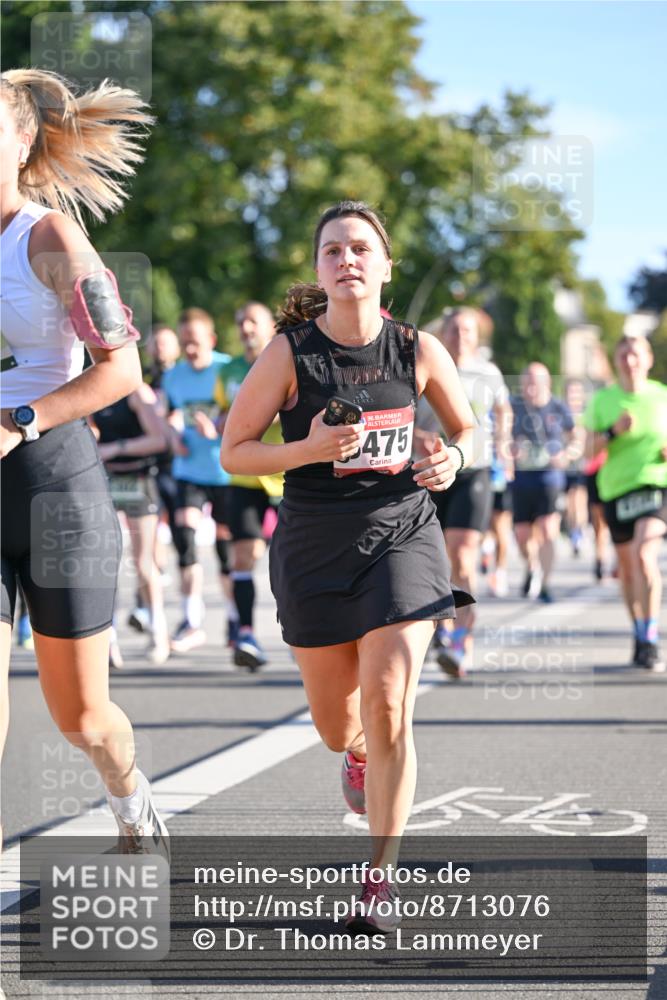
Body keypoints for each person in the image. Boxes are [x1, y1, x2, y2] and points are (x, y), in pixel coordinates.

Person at [221, 201, 475, 933]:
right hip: (312, 547)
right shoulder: (289, 353)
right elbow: (233, 452)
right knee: (340, 726)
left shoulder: (417, 349)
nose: (347, 260)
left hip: (403, 537)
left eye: (360, 248)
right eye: (332, 250)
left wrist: (450, 458)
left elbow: (467, 427)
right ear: (319, 270)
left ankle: (379, 881)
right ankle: (356, 753)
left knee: (390, 703)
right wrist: (305, 450)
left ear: (384, 265)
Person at [0, 68, 167, 854]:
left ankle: (130, 801)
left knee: (84, 719)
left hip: (54, 487)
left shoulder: (49, 239)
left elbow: (121, 370)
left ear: (23, 138)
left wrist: (20, 418)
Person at [415, 307, 512, 677]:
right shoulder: (426, 365)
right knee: (433, 558)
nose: (460, 336)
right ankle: (438, 629)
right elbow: (404, 414)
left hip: (474, 470)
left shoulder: (488, 372)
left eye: (467, 330)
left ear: (476, 336)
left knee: (464, 556)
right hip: (429, 469)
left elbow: (503, 411)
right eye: (454, 329)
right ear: (444, 332)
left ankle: (460, 645)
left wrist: (502, 445)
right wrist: (417, 438)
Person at [584, 334, 667, 671]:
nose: (630, 361)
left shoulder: (662, 396)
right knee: (628, 569)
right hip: (616, 490)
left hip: (655, 485)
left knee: (645, 554)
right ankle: (638, 628)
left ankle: (650, 635)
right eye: (623, 354)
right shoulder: (604, 400)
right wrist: (613, 432)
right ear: (617, 361)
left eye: (635, 354)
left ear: (647, 359)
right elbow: (587, 451)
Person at [214, 302, 282, 670]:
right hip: (244, 476)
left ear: (270, 326)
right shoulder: (229, 370)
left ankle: (308, 635)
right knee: (243, 556)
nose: (245, 328)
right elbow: (222, 414)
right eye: (240, 322)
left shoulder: (286, 359)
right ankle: (245, 633)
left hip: (285, 473)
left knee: (289, 558)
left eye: (252, 321)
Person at [161, 308, 233, 653]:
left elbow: (247, 414)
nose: (189, 350)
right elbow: (167, 414)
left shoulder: (227, 369)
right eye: (185, 343)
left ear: (211, 341)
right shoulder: (173, 376)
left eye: (195, 343)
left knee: (225, 551)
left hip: (224, 470)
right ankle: (191, 620)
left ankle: (235, 618)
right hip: (188, 470)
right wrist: (172, 437)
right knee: (186, 539)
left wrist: (219, 428)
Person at [89, 385, 170, 666]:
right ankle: (106, 639)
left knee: (142, 561)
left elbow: (159, 439)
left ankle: (158, 632)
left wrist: (116, 448)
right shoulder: (93, 390)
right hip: (106, 480)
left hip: (138, 479)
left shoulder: (136, 392)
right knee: (104, 562)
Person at [510, 363, 577, 603]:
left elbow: (576, 438)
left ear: (547, 383)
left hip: (549, 478)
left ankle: (546, 584)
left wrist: (567, 455)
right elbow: (500, 436)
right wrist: (511, 449)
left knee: (549, 529)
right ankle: (532, 567)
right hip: (521, 480)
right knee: (521, 535)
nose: (530, 387)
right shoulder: (515, 406)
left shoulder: (558, 407)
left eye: (535, 382)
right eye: (527, 382)